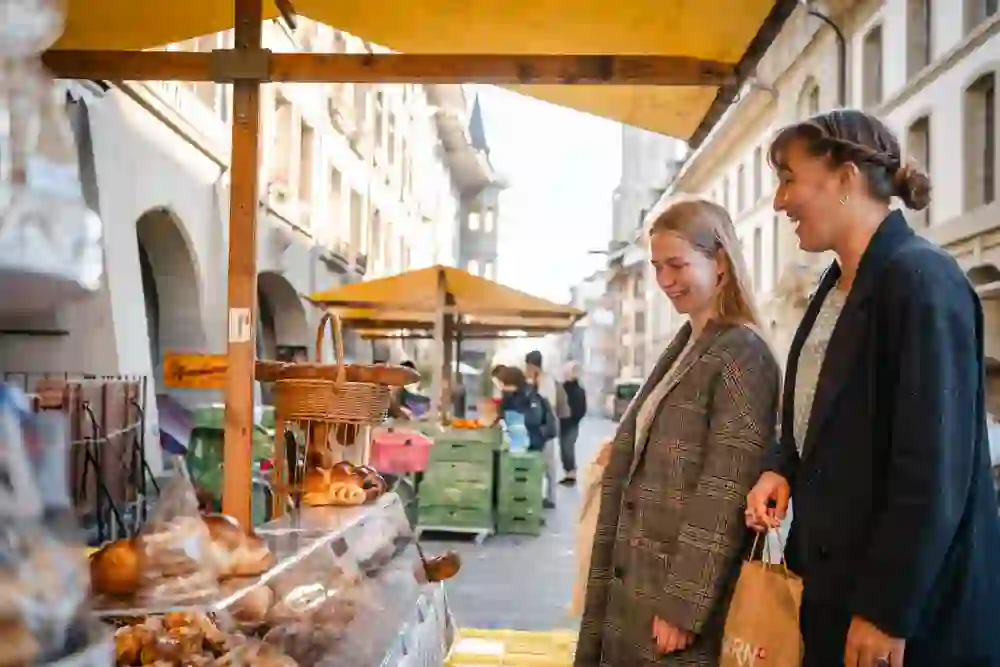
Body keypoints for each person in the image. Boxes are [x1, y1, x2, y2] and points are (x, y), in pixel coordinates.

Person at [744, 109, 1000, 667]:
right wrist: (780, 465)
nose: (779, 201)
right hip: (834, 590)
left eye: (789, 178)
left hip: (905, 618)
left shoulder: (922, 280)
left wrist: (887, 610)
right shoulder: (836, 284)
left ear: (845, 178)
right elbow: (817, 408)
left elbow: (934, 468)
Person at [575, 197, 780, 667]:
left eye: (677, 265)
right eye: (657, 267)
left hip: (674, 603)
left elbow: (724, 489)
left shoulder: (741, 353)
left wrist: (684, 609)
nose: (666, 280)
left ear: (720, 261)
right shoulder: (690, 342)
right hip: (639, 586)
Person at [525, 350, 567, 509]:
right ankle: (541, 495)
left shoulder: (546, 381)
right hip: (540, 427)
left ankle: (551, 497)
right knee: (540, 462)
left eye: (528, 366)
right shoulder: (536, 380)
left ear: (533, 366)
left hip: (546, 427)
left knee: (548, 464)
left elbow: (546, 405)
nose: (527, 370)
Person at [559, 361, 587, 485]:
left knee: (568, 448)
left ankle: (571, 474)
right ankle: (568, 473)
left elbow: (582, 408)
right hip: (562, 423)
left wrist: (575, 419)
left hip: (571, 424)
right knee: (564, 449)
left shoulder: (579, 390)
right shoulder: (562, 388)